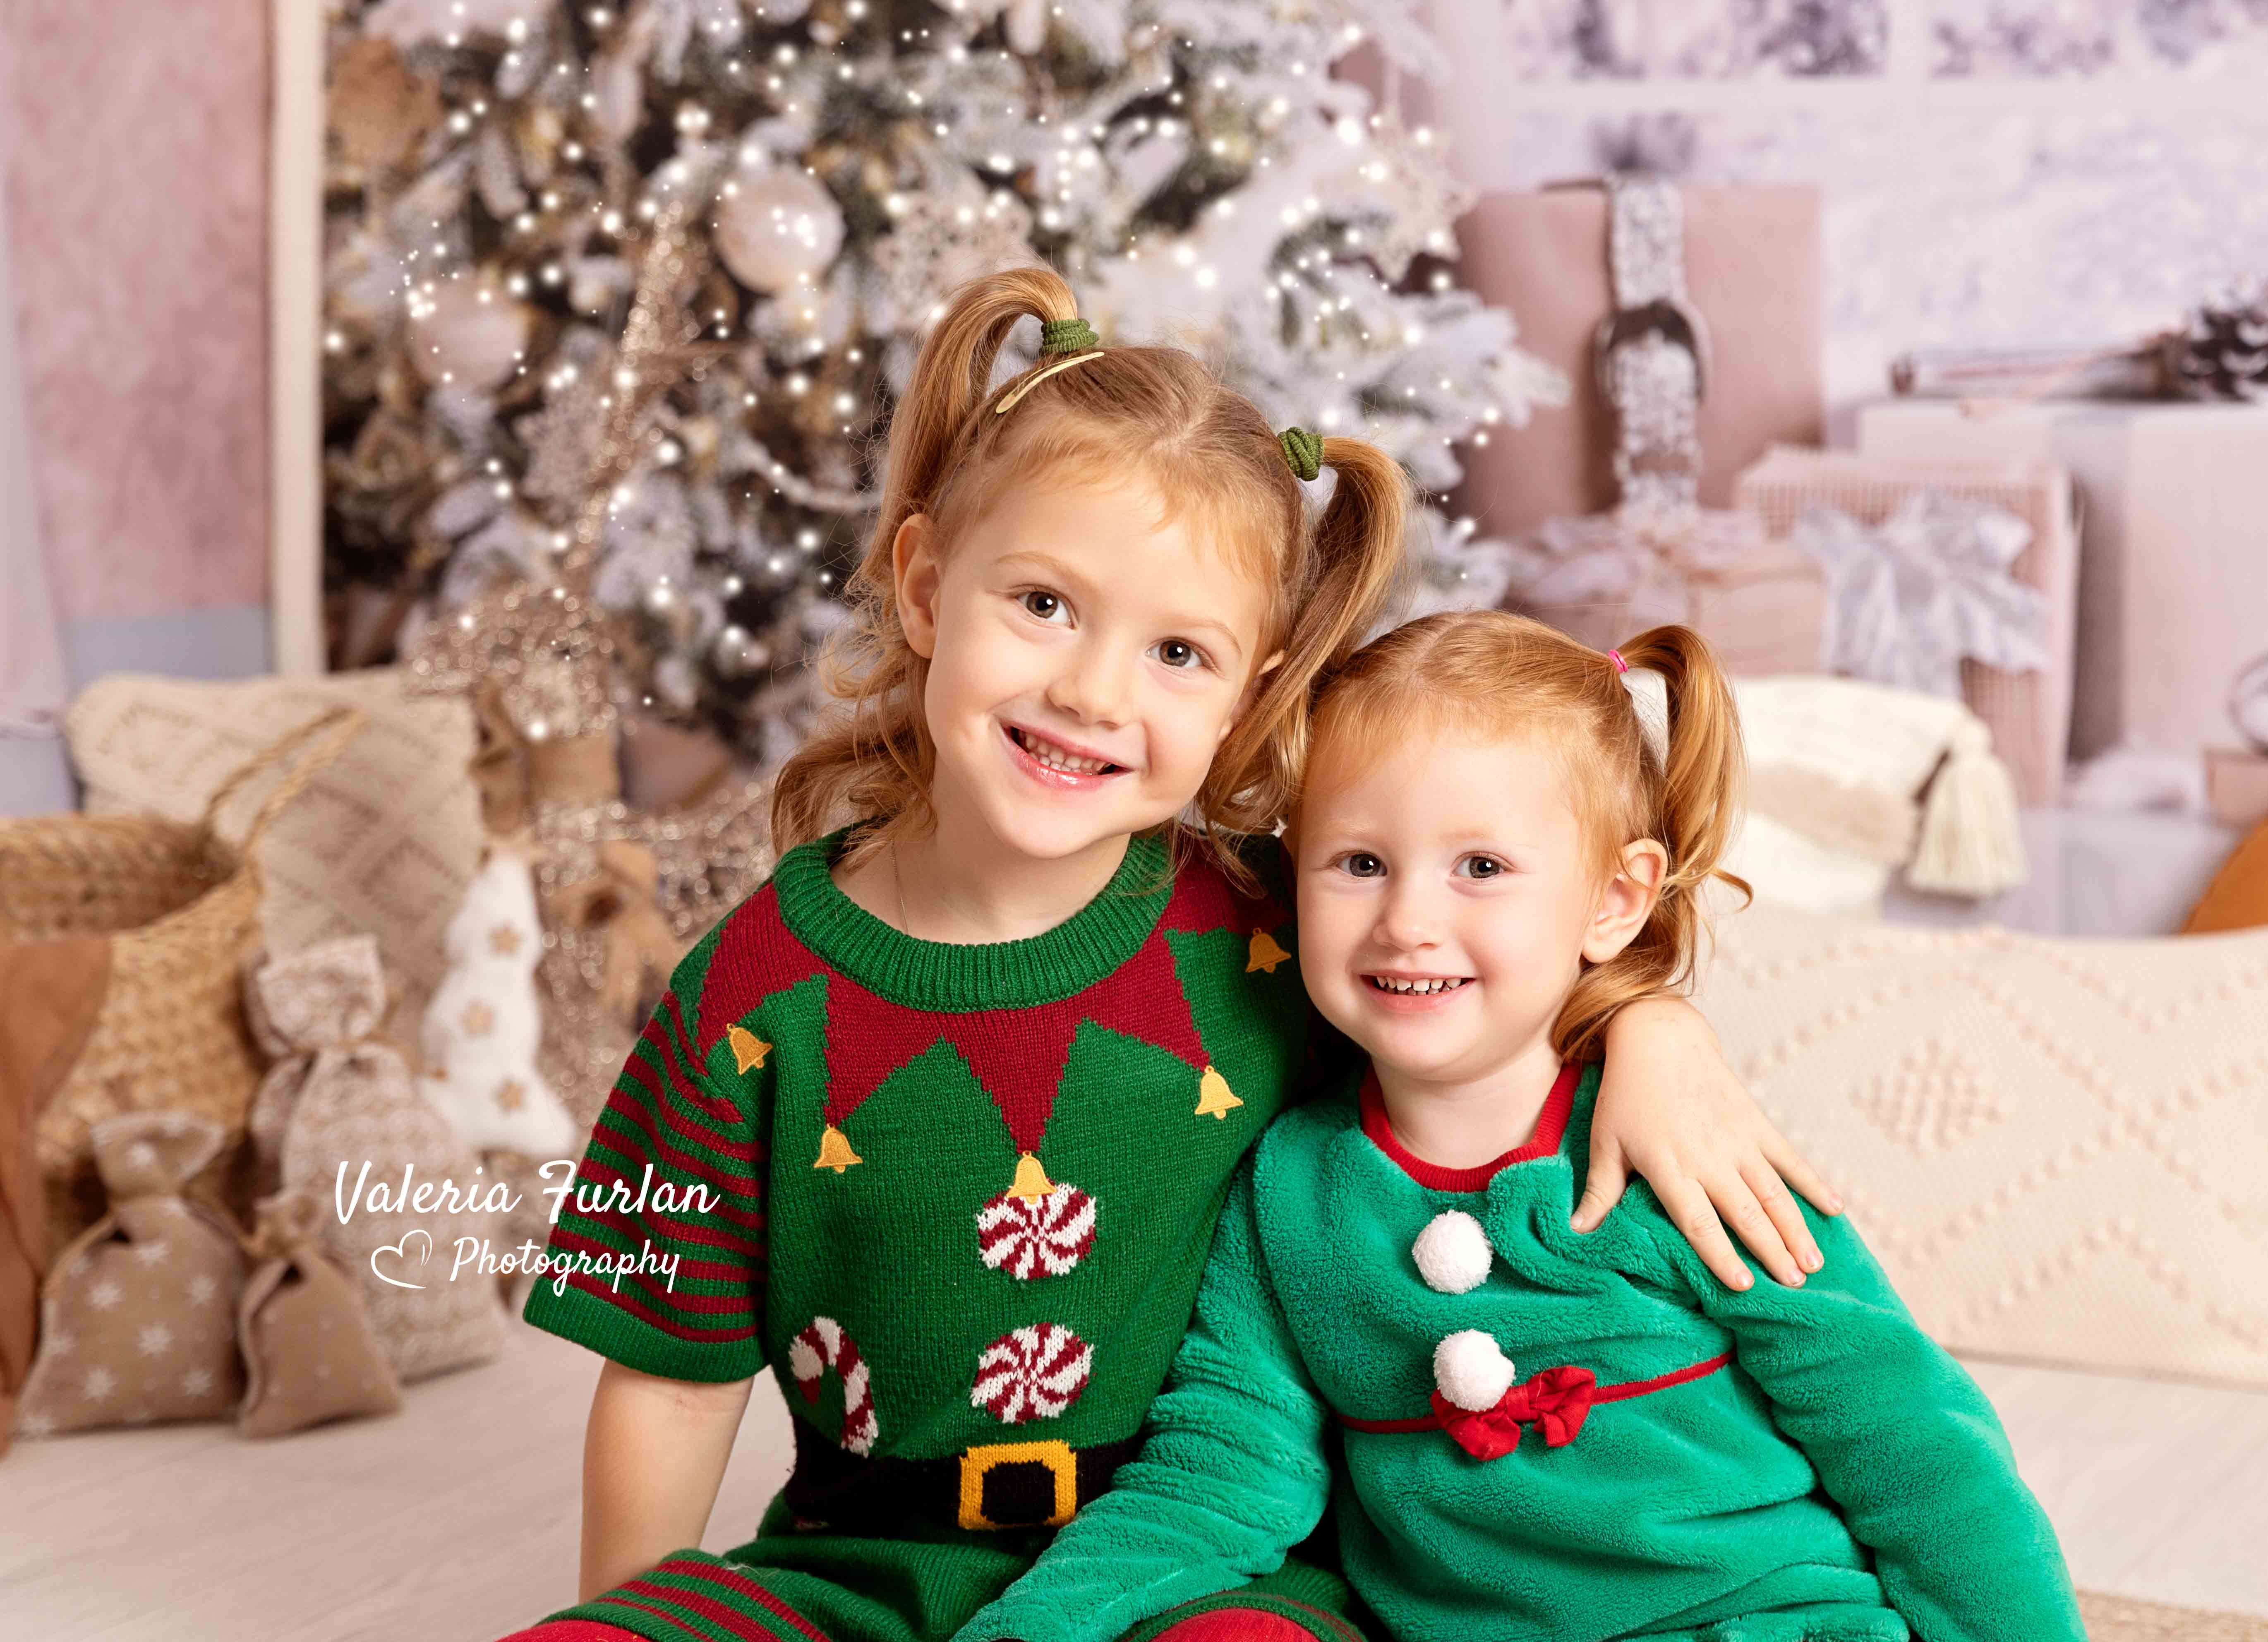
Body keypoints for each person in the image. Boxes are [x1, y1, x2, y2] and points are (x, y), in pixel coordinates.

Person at [495, 269, 1840, 1642]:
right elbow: (666, 1380)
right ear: (921, 586)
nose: (1091, 691)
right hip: (851, 1569)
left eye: (1179, 652)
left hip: (1218, 1567)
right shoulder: (750, 992)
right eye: (1042, 604)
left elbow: (1487, 1009)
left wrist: (1655, 1033)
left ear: (1249, 694)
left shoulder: (1277, 932)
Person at [960, 613, 2087, 1642]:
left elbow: (1909, 1443)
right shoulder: (1289, 1189)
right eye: (1357, 864)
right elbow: (1220, 1472)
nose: (1407, 921)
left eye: (1482, 869)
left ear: (1612, 900)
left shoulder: (1678, 1152)